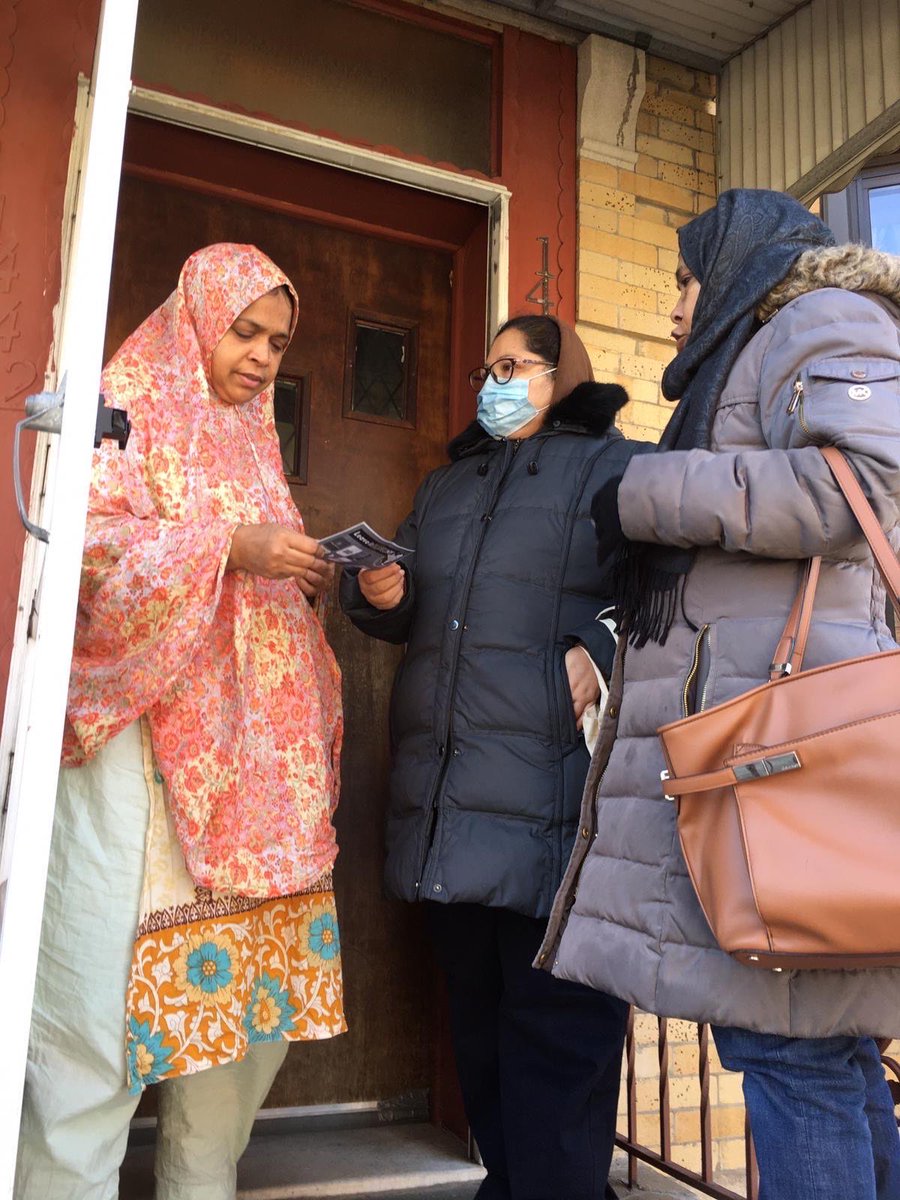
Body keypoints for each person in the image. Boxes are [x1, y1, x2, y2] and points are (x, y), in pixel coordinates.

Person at [539, 190, 900, 1200]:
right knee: (821, 1054)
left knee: (793, 1057)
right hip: (771, 749)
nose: (672, 309)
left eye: (686, 281)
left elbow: (865, 488)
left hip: (791, 758)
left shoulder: (823, 320)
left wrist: (650, 490)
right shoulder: (771, 343)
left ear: (741, 265)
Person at [16, 244, 346, 1200]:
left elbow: (249, 565)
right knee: (101, 1012)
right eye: (245, 331)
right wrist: (230, 548)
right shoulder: (126, 400)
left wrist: (293, 570)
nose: (261, 358)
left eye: (278, 342)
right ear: (200, 311)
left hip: (254, 778)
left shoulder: (252, 433)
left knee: (238, 1025)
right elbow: (86, 547)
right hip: (143, 751)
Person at [341, 314, 649, 1200]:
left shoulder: (613, 466)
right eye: (488, 367)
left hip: (555, 791)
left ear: (565, 377)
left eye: (514, 366)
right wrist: (380, 594)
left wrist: (595, 648)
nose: (494, 381)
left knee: (560, 1030)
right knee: (478, 1026)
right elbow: (410, 609)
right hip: (448, 794)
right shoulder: (447, 486)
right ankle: (511, 1184)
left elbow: (665, 584)